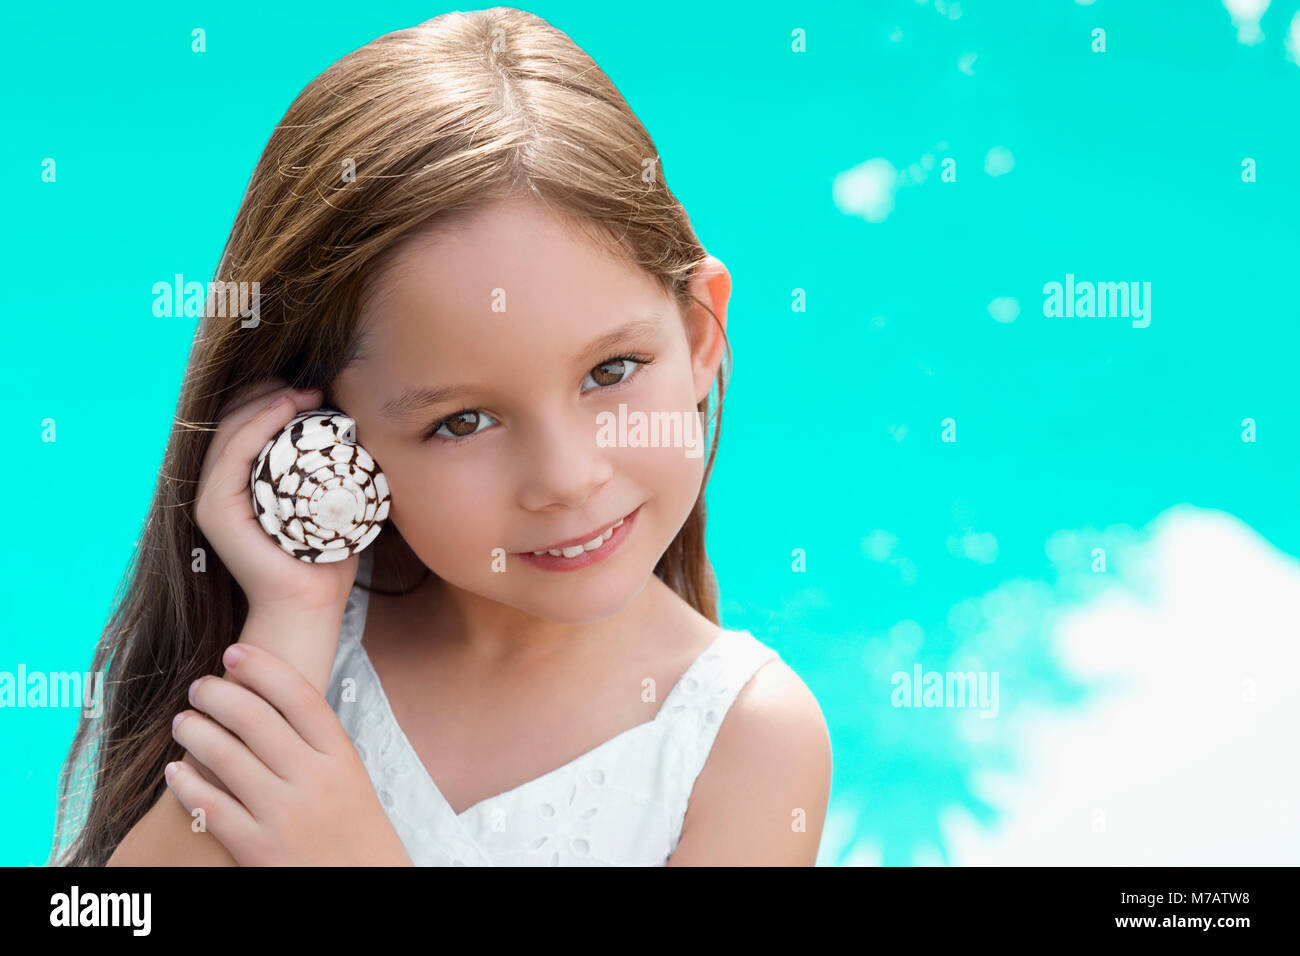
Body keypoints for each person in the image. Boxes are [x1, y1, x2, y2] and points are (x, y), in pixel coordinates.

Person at [49, 6, 831, 867]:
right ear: (325, 433)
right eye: (462, 421)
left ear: (698, 335)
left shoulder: (748, 740)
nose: (566, 478)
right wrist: (294, 619)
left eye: (610, 371)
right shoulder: (310, 645)